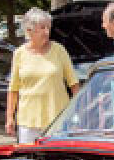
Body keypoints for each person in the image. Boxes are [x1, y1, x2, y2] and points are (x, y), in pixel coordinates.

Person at [6, 8, 80, 143]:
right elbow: (13, 89)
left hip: (57, 120)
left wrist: (75, 113)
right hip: (28, 122)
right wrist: (9, 117)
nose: (47, 32)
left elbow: (74, 84)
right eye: (42, 28)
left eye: (48, 28)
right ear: (29, 30)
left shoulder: (59, 50)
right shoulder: (19, 54)